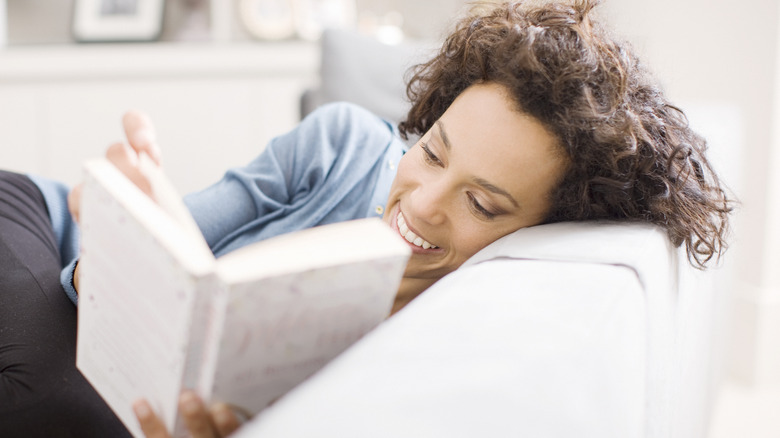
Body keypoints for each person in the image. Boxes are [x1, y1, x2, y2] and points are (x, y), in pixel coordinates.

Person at [0, 0, 731, 437]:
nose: (421, 203)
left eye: (482, 203)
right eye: (434, 152)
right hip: (29, 220)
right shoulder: (344, 144)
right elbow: (83, 281)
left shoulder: (458, 325)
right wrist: (138, 214)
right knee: (50, 403)